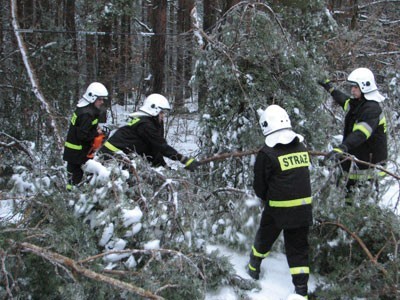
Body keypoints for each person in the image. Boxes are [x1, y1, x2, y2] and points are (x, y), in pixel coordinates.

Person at [248, 105, 313, 299]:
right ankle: (301, 290)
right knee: (298, 250)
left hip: (277, 210)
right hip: (303, 209)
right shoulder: (301, 146)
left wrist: (266, 198)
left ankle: (253, 270)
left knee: (263, 240)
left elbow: (259, 187)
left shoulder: (266, 153)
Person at [318, 67, 387, 204]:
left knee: (363, 206)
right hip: (357, 163)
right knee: (349, 202)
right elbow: (344, 100)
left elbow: (361, 133)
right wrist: (330, 88)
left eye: (355, 87)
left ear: (365, 87)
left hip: (368, 167)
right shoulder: (358, 104)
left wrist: (343, 147)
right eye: (352, 87)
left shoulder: (372, 109)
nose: (352, 90)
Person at [99, 93, 200, 171]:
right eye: (161, 112)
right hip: (112, 157)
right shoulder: (145, 125)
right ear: (154, 109)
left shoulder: (146, 123)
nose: (163, 116)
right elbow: (161, 146)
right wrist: (184, 160)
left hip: (116, 156)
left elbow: (153, 151)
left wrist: (165, 169)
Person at [63, 82, 108, 191]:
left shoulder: (86, 110)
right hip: (77, 152)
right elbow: (83, 135)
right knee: (76, 177)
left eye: (103, 99)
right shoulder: (86, 114)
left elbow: (85, 128)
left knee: (75, 176)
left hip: (76, 151)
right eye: (100, 99)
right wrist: (97, 134)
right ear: (92, 97)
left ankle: (73, 193)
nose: (102, 102)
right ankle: (72, 196)